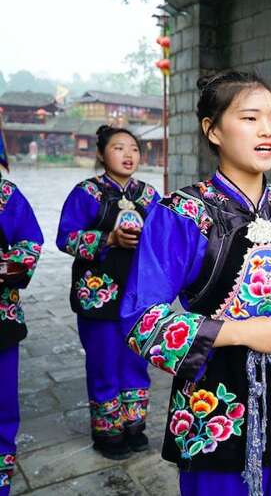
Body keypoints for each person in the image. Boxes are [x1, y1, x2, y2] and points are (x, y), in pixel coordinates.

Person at [120, 71, 271, 496]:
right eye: (249, 118)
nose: (266, 130)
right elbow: (141, 320)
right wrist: (244, 332)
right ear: (213, 129)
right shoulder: (181, 214)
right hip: (215, 407)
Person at [57, 126, 159, 459]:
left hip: (138, 294)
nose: (129, 155)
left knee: (135, 361)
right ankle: (108, 433)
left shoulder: (148, 195)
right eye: (119, 148)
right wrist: (108, 240)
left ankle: (134, 426)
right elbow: (66, 237)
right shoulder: (86, 193)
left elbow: (162, 238)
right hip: (97, 294)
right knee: (103, 362)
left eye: (134, 148)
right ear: (102, 154)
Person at [0, 177, 43, 496]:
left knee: (2, 396)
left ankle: (1, 462)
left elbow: (30, 242)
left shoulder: (5, 194)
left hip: (1, 316)